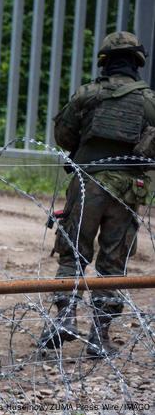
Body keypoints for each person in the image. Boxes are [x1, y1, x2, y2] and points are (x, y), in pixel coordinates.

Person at [39, 31, 154, 357]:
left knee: (72, 252)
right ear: (138, 62)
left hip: (87, 182)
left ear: (104, 61)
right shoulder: (148, 100)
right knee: (113, 263)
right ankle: (99, 338)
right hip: (129, 190)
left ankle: (65, 319)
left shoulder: (87, 95)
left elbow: (63, 135)